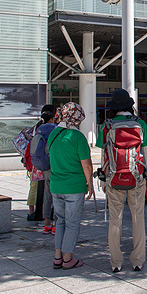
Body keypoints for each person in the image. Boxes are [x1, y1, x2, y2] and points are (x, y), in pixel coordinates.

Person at [97, 88, 147, 273]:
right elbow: (146, 152)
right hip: (137, 177)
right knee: (138, 218)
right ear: (130, 105)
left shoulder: (107, 125)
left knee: (115, 220)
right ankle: (138, 260)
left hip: (114, 177)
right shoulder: (140, 124)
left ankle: (116, 262)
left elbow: (103, 155)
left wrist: (104, 181)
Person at [48, 102, 93, 269]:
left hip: (56, 185)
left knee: (60, 221)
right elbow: (86, 165)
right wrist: (90, 184)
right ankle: (68, 258)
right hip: (74, 186)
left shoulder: (53, 134)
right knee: (72, 223)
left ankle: (57, 256)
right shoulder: (78, 137)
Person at [35, 104, 58, 234]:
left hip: (43, 165)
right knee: (57, 195)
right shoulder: (54, 128)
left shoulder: (39, 129)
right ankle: (55, 224)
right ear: (51, 119)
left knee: (47, 195)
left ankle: (47, 224)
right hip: (55, 164)